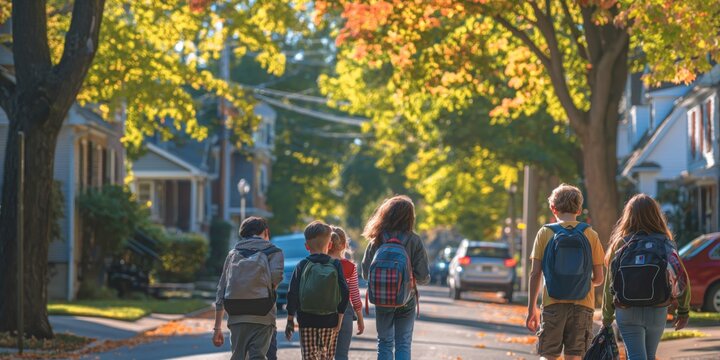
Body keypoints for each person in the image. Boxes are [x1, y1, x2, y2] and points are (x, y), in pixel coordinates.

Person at [601, 194, 690, 360]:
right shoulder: (665, 243)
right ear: (656, 215)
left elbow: (609, 285)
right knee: (648, 356)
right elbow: (681, 278)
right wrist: (683, 311)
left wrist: (607, 317)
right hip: (657, 309)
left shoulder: (620, 244)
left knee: (636, 356)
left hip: (626, 310)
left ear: (629, 216)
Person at [525, 184, 605, 360]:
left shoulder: (545, 233)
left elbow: (535, 274)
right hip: (583, 305)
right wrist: (582, 282)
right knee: (575, 356)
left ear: (553, 208)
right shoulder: (590, 234)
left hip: (553, 303)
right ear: (579, 209)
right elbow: (599, 278)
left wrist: (532, 309)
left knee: (548, 355)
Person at [361, 195, 430, 360]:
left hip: (382, 298)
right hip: (407, 298)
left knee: (384, 342)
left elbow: (365, 273)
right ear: (410, 217)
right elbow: (423, 277)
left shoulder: (376, 240)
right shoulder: (414, 240)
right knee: (403, 343)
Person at [213, 217, 284, 360]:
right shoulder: (274, 252)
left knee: (238, 356)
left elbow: (221, 290)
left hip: (236, 314)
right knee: (258, 356)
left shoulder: (232, 254)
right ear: (265, 231)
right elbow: (276, 279)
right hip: (263, 314)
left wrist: (217, 328)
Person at [286, 221, 350, 360]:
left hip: (306, 319)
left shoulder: (302, 265)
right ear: (330, 245)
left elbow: (293, 293)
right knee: (326, 356)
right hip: (330, 320)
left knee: (309, 356)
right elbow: (345, 292)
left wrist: (290, 319)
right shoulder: (335, 264)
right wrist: (339, 318)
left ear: (306, 246)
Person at [328, 226, 365, 360]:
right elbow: (354, 295)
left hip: (321, 311)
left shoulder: (318, 264)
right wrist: (360, 319)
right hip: (345, 311)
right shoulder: (350, 267)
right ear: (344, 245)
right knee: (341, 355)